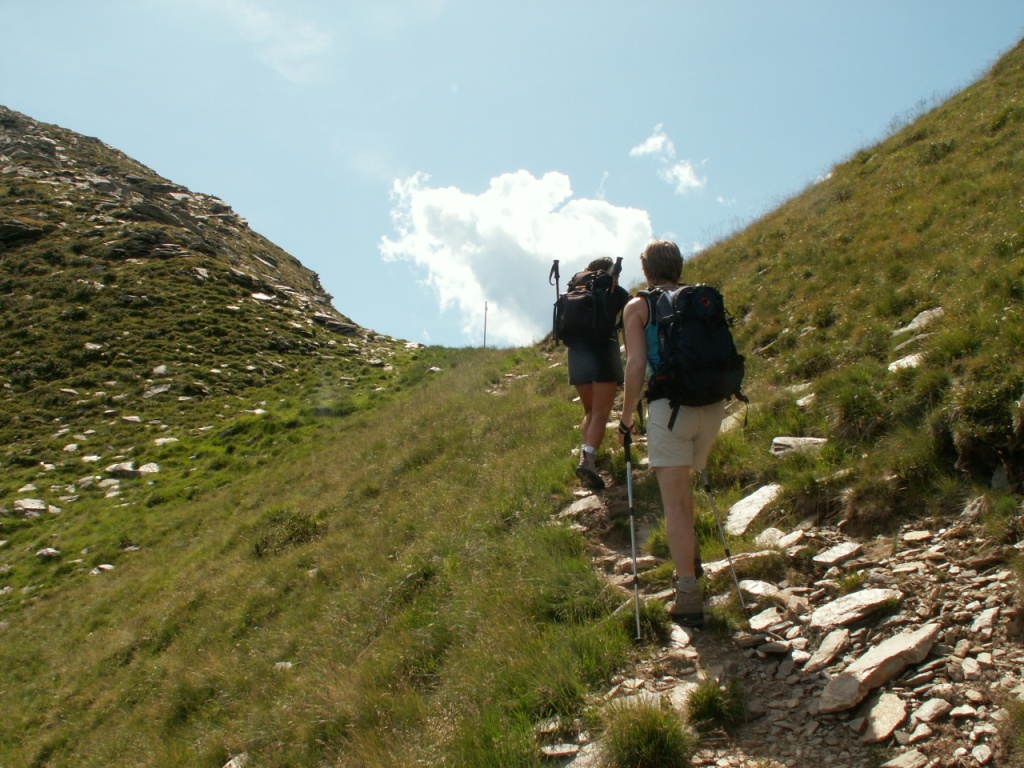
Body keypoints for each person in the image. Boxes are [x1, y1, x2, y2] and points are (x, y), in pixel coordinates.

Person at [616, 240, 726, 628]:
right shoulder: (699, 298)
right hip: (712, 405)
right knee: (687, 492)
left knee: (675, 503)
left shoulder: (637, 306)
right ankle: (691, 560)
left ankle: (688, 595)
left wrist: (626, 417)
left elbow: (635, 366)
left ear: (646, 270)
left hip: (670, 408)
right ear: (677, 266)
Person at [566, 256, 631, 489]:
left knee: (590, 410)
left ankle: (585, 457)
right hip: (604, 352)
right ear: (611, 272)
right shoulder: (614, 290)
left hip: (576, 354)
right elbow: (630, 319)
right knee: (601, 412)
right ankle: (588, 459)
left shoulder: (575, 289)